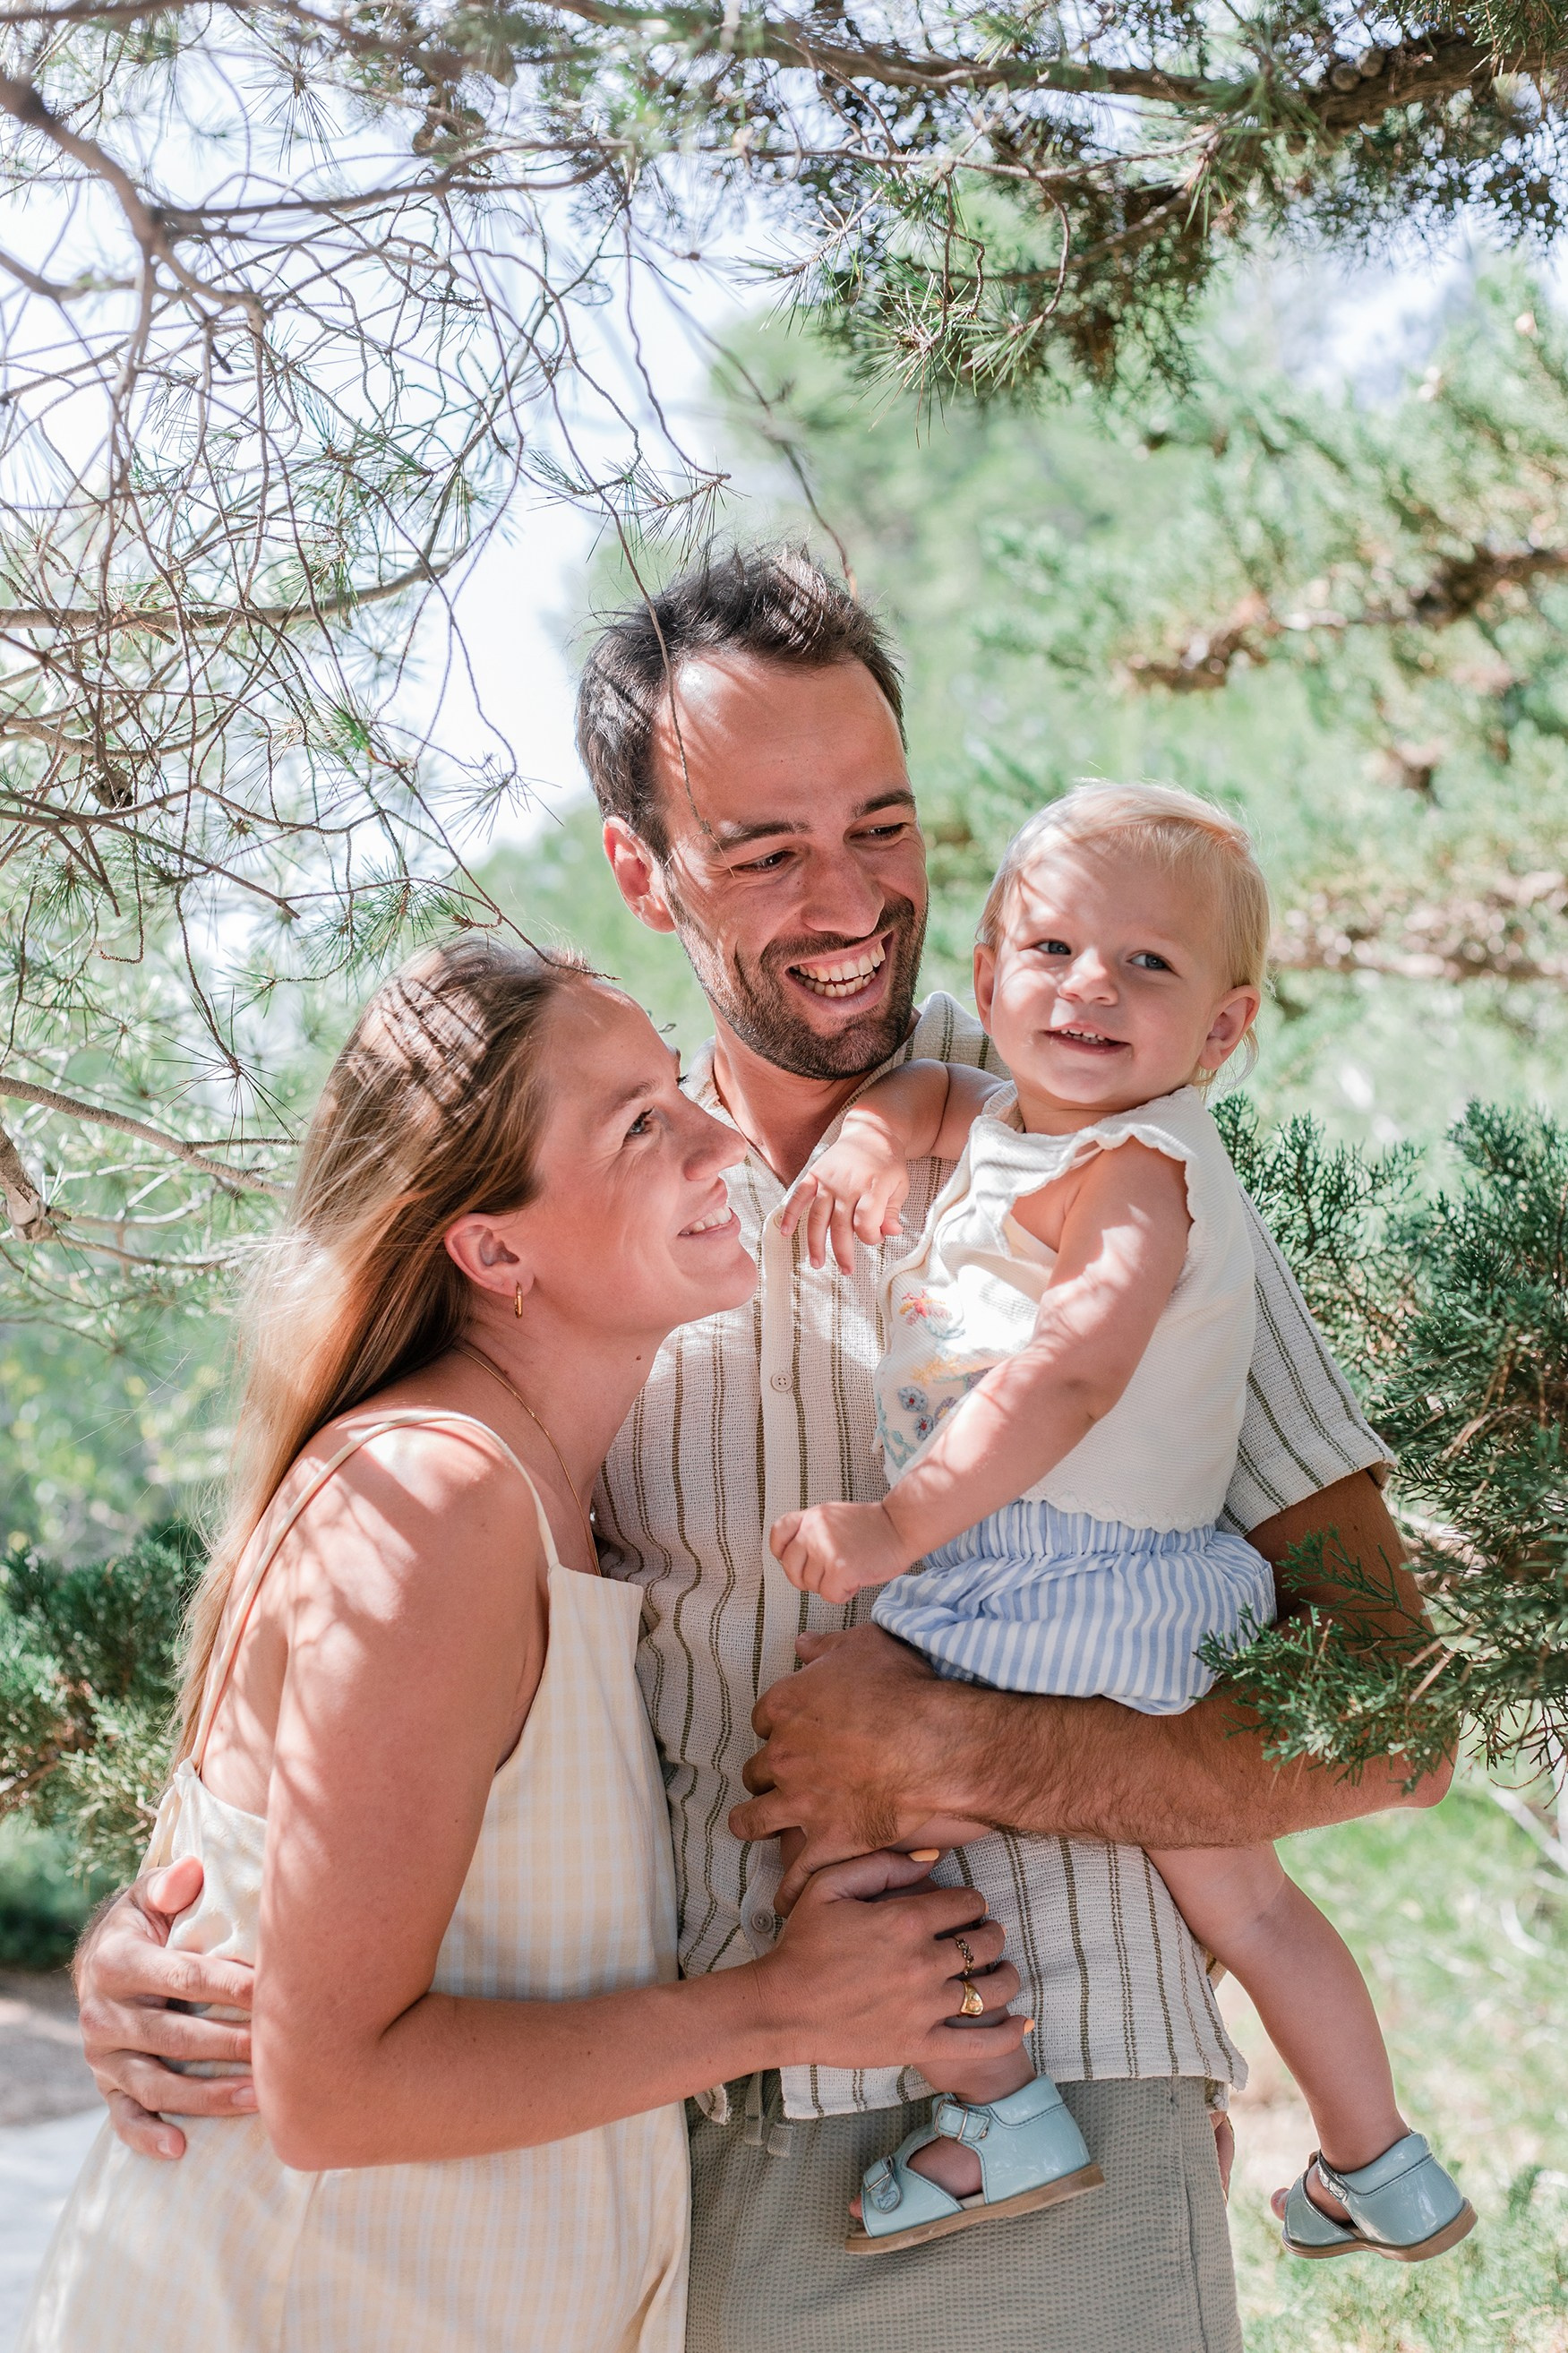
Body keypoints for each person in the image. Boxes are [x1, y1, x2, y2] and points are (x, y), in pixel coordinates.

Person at [73, 551, 1452, 2353]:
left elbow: (1395, 1718)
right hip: (650, 2161)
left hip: (1061, 2143)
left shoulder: (1113, 1150)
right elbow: (367, 1650)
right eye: (766, 848)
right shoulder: (587, 1220)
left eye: (882, 826)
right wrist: (179, 1945)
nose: (852, 899)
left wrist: (976, 1750)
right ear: (640, 870)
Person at [25, 940, 1021, 2353]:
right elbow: (334, 2088)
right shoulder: (436, 1499)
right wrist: (779, 2011)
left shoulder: (544, 1497)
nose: (718, 1135)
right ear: (493, 1251)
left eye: (677, 1088)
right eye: (639, 1124)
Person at [771, 783, 1473, 2266]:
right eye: (1053, 949)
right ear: (988, 973)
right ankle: (1378, 2163)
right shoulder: (1029, 1120)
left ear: (1222, 1033)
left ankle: (1000, 2109)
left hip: (1041, 1580)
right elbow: (933, 1104)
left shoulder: (1139, 1175)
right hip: (1134, 1593)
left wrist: (898, 1528)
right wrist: (863, 1141)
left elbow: (1071, 1374)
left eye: (1147, 966)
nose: (1090, 985)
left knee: (842, 1818)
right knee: (1251, 1904)